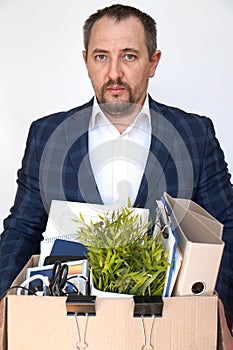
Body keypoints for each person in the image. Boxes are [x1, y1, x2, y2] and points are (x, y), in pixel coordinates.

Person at [0, 4, 232, 333]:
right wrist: (5, 300)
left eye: (129, 56)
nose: (114, 74)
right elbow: (23, 229)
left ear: (153, 62)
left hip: (167, 327)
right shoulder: (48, 135)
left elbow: (226, 228)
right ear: (86, 61)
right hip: (67, 327)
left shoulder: (194, 135)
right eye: (101, 57)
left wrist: (217, 306)